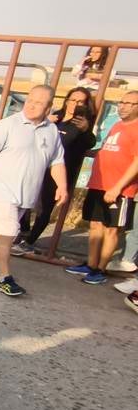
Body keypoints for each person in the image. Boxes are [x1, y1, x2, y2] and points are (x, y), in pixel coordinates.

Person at [0, 86, 66, 296]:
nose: (32, 105)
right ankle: (5, 277)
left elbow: (57, 161)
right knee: (7, 234)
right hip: (1, 190)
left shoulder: (51, 131)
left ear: (49, 106)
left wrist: (62, 185)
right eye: (30, 100)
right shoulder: (8, 125)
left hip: (26, 195)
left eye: (39, 102)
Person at [12, 87, 98, 255]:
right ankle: (24, 231)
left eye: (81, 102)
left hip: (60, 171)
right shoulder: (54, 117)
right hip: (37, 166)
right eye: (72, 100)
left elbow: (90, 142)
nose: (75, 104)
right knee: (25, 199)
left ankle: (29, 241)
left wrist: (86, 129)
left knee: (44, 207)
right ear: (66, 101)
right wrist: (45, 120)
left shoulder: (81, 125)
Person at [65, 90, 138, 285]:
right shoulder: (117, 125)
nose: (122, 106)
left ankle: (100, 269)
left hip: (119, 189)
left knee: (112, 229)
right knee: (96, 225)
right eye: (121, 102)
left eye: (129, 103)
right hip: (99, 183)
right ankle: (90, 264)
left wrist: (117, 188)